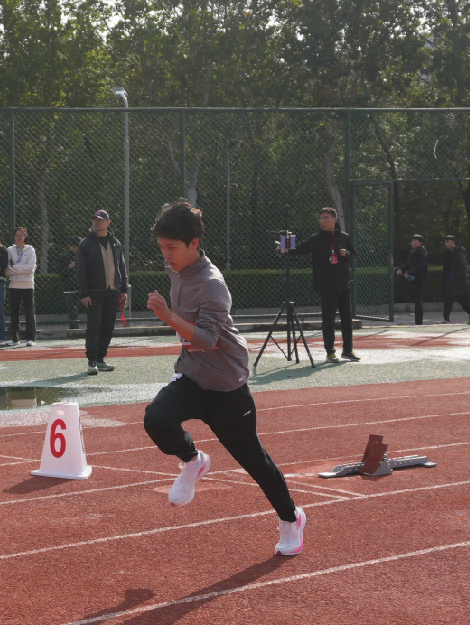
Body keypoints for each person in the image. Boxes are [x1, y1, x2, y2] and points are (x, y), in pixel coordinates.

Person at [144, 200, 306, 555]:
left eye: (171, 247)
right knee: (156, 418)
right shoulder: (176, 269)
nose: (166, 255)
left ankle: (291, 518)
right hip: (192, 375)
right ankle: (193, 461)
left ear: (194, 244)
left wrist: (168, 317)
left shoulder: (213, 284)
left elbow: (206, 340)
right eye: (162, 247)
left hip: (226, 385)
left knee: (254, 461)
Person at [290, 208, 359, 363]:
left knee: (347, 319)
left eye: (325, 218)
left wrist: (346, 254)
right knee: (328, 320)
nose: (322, 221)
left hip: (343, 284)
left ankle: (348, 350)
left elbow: (352, 255)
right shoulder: (315, 239)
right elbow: (299, 248)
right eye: (321, 218)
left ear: (334, 219)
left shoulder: (344, 237)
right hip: (326, 286)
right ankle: (330, 352)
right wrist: (284, 246)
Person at [76, 209, 129, 375]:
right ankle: (92, 361)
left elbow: (122, 267)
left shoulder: (116, 243)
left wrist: (123, 290)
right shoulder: (85, 244)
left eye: (101, 220)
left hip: (112, 291)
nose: (97, 222)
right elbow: (81, 271)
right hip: (94, 293)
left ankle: (101, 358)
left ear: (108, 223)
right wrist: (84, 293)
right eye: (95, 220)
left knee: (108, 327)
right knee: (94, 327)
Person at [6, 227, 37, 347]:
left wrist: (15, 268)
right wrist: (23, 269)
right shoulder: (9, 250)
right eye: (17, 235)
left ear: (25, 237)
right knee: (14, 312)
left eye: (22, 235)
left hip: (28, 284)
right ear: (14, 236)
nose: (19, 237)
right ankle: (14, 338)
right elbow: (7, 269)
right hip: (14, 284)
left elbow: (31, 268)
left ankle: (31, 338)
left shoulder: (31, 249)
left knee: (30, 311)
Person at [440, 235, 470, 324]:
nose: (446, 244)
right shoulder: (448, 253)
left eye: (448, 242)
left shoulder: (458, 253)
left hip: (458, 283)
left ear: (453, 242)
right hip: (451, 282)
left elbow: (463, 268)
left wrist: (456, 279)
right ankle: (446, 319)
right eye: (445, 242)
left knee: (463, 301)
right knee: (448, 300)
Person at [396, 234, 428, 325]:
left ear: (420, 243)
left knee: (418, 301)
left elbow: (421, 267)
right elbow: (409, 264)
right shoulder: (412, 252)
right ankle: (418, 322)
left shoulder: (422, 253)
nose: (413, 243)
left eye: (415, 241)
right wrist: (401, 268)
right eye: (412, 241)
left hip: (419, 280)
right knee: (396, 271)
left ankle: (418, 323)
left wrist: (409, 272)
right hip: (413, 279)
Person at [61, 236, 82, 329]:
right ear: (69, 246)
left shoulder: (84, 255)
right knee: (72, 308)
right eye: (73, 247)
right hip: (69, 285)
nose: (75, 249)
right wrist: (69, 267)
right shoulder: (65, 257)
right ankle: (74, 327)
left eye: (77, 247)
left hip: (82, 284)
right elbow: (60, 272)